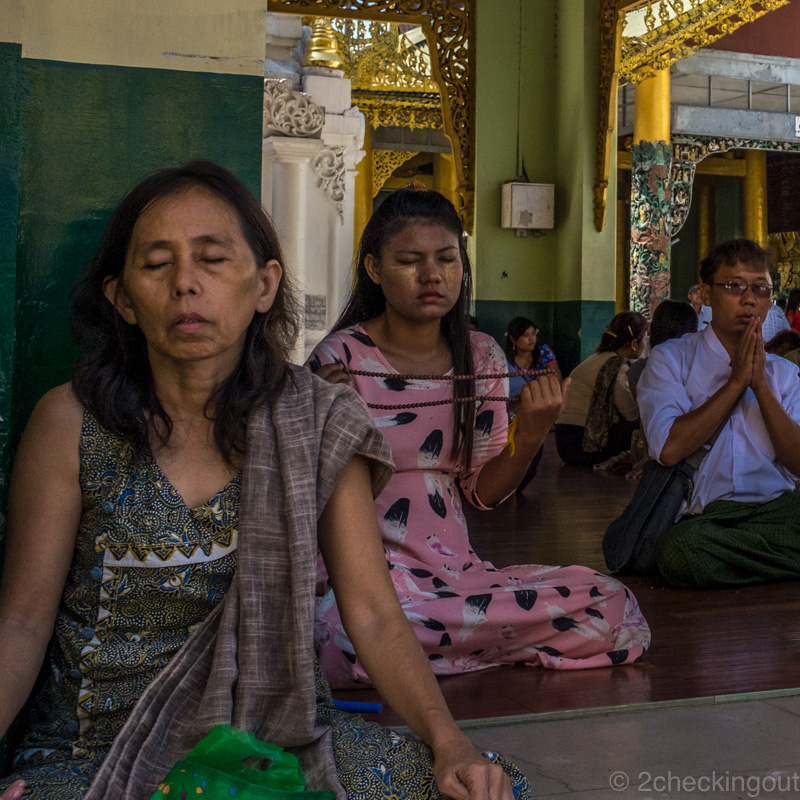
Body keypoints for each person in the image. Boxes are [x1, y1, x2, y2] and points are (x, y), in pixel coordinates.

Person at [0, 163, 527, 800]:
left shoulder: (318, 420)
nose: (186, 285)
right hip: (97, 751)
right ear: (122, 298)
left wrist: (450, 744)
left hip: (270, 740)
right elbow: (23, 623)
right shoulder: (70, 422)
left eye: (214, 259)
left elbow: (374, 613)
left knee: (487, 790)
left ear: (264, 284)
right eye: (157, 264)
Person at [307, 188, 650, 689]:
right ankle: (466, 643)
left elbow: (482, 493)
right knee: (340, 633)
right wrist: (320, 420)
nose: (432, 275)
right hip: (356, 574)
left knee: (610, 601)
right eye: (410, 261)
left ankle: (428, 650)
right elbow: (299, 486)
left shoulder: (483, 357)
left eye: (447, 259)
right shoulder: (339, 358)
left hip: (452, 574)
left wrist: (530, 433)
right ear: (375, 269)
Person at [638, 239, 800, 589]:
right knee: (679, 550)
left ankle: (746, 563)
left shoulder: (782, 373)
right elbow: (668, 448)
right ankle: (776, 561)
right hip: (709, 519)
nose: (749, 299)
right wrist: (736, 382)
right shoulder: (672, 360)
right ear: (707, 294)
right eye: (734, 286)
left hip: (778, 509)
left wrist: (760, 385)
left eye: (761, 288)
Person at [554, 312, 647, 467]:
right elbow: (631, 415)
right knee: (643, 424)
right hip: (582, 445)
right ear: (634, 344)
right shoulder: (616, 366)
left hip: (564, 444)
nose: (646, 343)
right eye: (645, 338)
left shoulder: (597, 358)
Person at [503, 316, 562, 493]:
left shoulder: (543, 353)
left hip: (542, 403)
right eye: (526, 335)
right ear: (513, 339)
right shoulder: (505, 359)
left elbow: (556, 377)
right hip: (517, 408)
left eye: (533, 334)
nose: (531, 339)